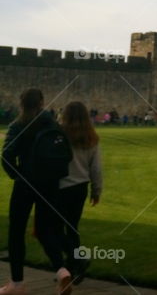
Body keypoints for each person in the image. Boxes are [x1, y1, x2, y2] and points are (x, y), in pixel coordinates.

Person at [0, 89, 73, 295]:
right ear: (42, 102)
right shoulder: (53, 124)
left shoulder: (18, 125)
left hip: (25, 184)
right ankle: (62, 270)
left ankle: (17, 283)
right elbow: (65, 155)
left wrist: (17, 175)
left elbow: (6, 155)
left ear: (21, 103)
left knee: (16, 231)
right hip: (50, 184)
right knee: (44, 229)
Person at [57, 102, 102, 285]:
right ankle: (74, 267)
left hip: (60, 186)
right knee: (72, 228)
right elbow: (96, 168)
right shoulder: (91, 137)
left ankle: (76, 262)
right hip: (80, 187)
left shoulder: (59, 134)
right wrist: (96, 190)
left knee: (52, 229)